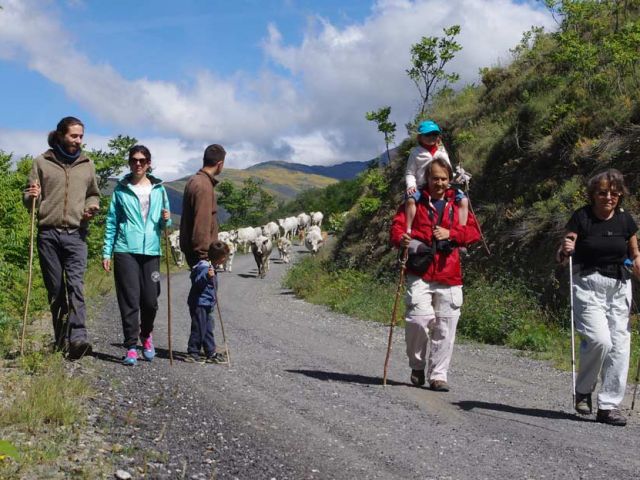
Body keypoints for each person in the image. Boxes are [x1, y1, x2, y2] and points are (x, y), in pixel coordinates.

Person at [390, 157, 481, 391]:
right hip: (419, 270)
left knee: (445, 328)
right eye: (434, 178)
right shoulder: (415, 202)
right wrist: (402, 238)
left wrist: (451, 234)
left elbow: (473, 233)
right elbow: (397, 228)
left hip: (449, 273)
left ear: (450, 180)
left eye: (443, 178)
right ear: (427, 179)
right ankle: (417, 365)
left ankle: (438, 375)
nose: (439, 183)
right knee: (418, 320)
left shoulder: (459, 203)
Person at [557, 169, 639, 426]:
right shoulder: (581, 217)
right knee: (599, 340)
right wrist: (565, 249)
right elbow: (562, 255)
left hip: (619, 287)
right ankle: (584, 389)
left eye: (614, 193)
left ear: (620, 196)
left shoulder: (626, 221)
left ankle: (609, 405)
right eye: (602, 192)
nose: (608, 197)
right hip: (588, 285)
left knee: (619, 346)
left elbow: (635, 254)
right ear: (593, 194)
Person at [22, 116, 100, 359]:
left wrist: (92, 207)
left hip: (76, 234)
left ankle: (78, 338)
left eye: (81, 136)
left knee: (75, 286)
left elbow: (93, 194)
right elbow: (28, 200)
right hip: (48, 234)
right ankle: (61, 338)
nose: (78, 141)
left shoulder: (87, 164)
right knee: (55, 290)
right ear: (61, 135)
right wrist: (31, 195)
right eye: (73, 136)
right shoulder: (41, 163)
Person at [102, 145, 171, 366]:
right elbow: (112, 221)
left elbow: (164, 223)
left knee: (150, 301)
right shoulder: (121, 190)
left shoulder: (159, 189)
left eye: (142, 160)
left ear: (149, 163)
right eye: (134, 160)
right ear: (129, 163)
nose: (138, 164)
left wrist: (167, 219)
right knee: (129, 300)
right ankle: (131, 346)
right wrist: (107, 251)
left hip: (151, 250)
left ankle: (146, 334)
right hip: (125, 249)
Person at [180, 144, 227, 363]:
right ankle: (195, 350)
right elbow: (201, 223)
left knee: (204, 307)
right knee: (203, 307)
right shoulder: (204, 187)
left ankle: (208, 350)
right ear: (220, 164)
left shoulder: (194, 181)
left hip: (198, 256)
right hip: (203, 257)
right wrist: (204, 257)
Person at [405, 120, 469, 236]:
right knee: (410, 200)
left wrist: (459, 176)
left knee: (463, 200)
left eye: (434, 134)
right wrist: (411, 185)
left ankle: (461, 231)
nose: (431, 137)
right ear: (420, 137)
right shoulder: (415, 153)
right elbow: (410, 173)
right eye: (427, 134)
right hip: (422, 186)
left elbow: (448, 172)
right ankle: (408, 229)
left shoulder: (442, 151)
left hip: (443, 185)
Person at [185, 242, 229, 363]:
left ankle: (211, 352)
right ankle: (193, 352)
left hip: (206, 303)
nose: (225, 259)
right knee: (199, 328)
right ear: (219, 257)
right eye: (224, 256)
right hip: (199, 303)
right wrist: (207, 277)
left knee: (208, 328)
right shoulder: (204, 267)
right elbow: (197, 282)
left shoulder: (211, 266)